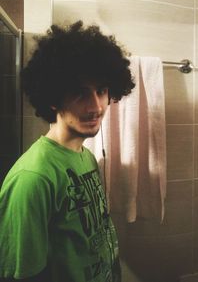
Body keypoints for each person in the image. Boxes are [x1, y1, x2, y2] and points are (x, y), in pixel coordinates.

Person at [0, 21, 135, 282]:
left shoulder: (86, 158)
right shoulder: (33, 178)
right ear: (52, 96)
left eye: (101, 91)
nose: (96, 106)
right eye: (79, 93)